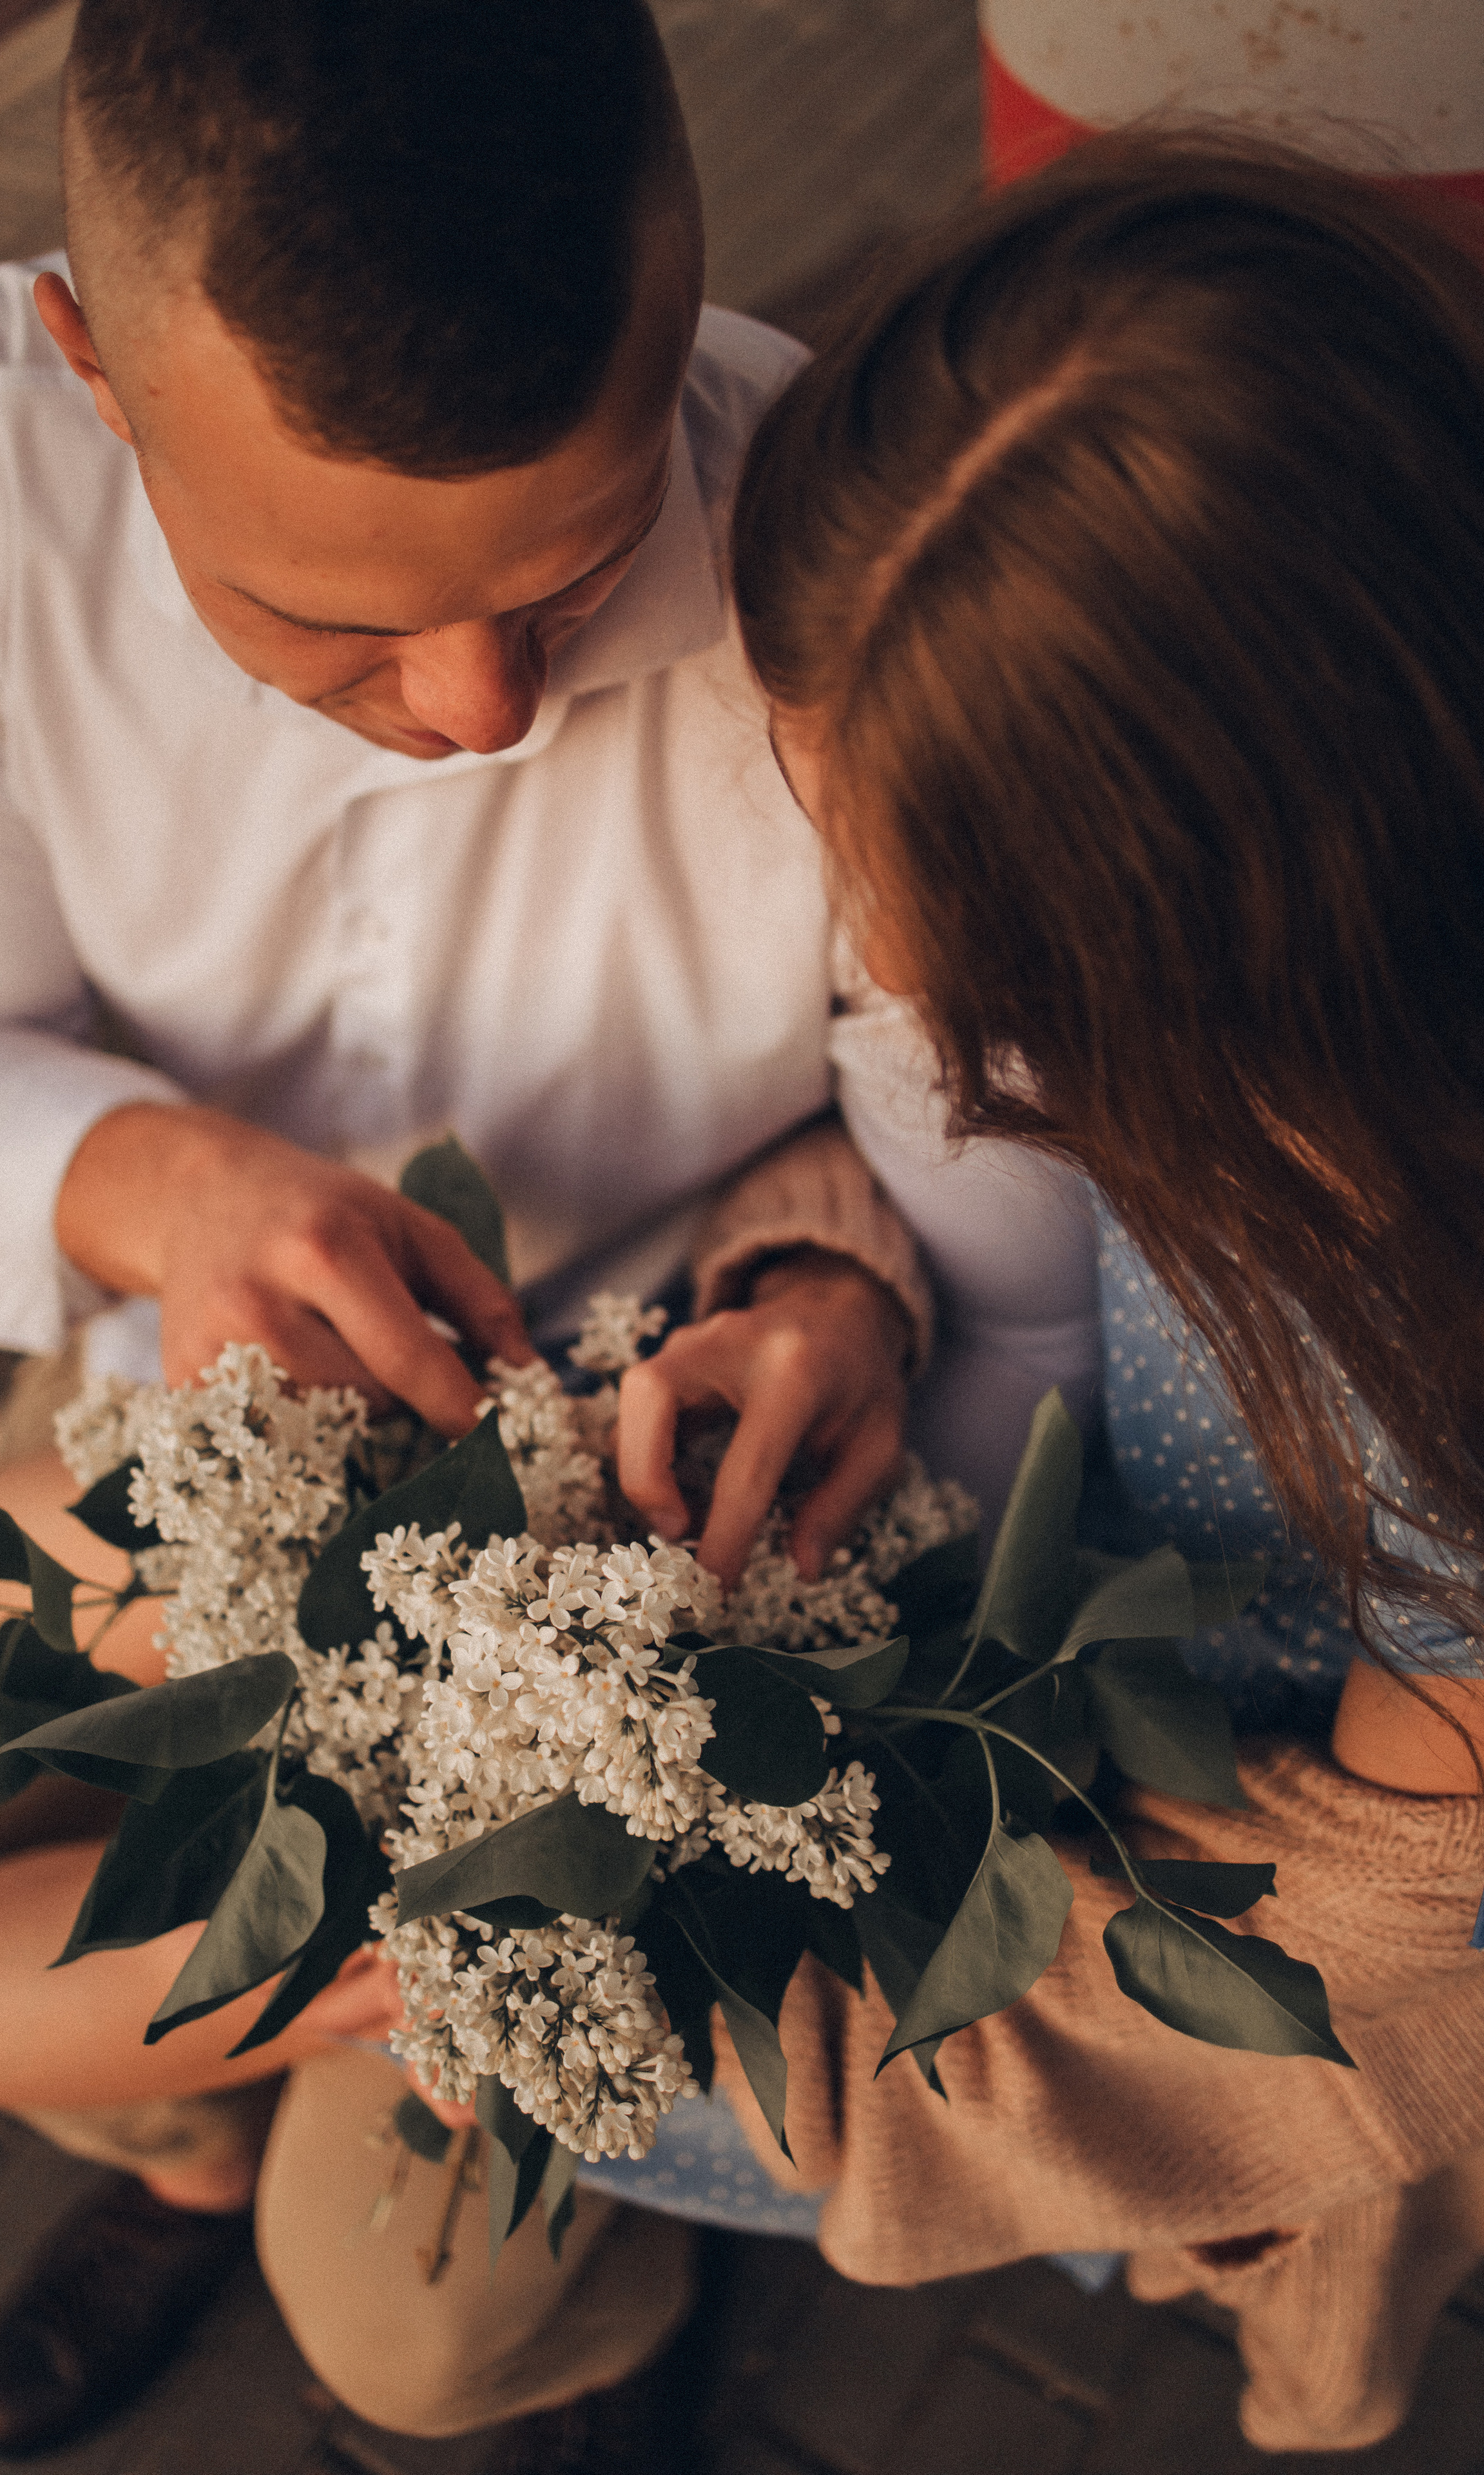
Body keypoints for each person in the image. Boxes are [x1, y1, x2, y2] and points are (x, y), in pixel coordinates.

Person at [0, 0, 1100, 2456]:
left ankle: (568, 2317)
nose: (487, 702)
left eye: (578, 560)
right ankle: (173, 2132)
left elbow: (1020, 1275)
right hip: (165, 1407)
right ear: (98, 370)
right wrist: (162, 1180)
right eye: (330, 624)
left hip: (652, 1543)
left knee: (410, 2333)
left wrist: (841, 1306)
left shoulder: (864, 569)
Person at [715, 131, 1484, 2453]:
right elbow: (986, 1192)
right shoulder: (1326, 1010)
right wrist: (826, 1285)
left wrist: (780, 2033)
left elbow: (1372, 1951)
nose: (905, 994)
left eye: (953, 931)